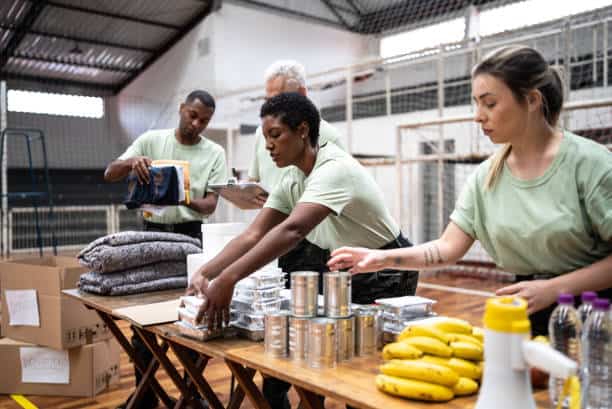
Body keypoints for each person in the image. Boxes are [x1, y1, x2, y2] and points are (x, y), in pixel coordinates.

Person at [328, 45, 612, 337]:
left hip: (598, 314)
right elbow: (447, 248)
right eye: (475, 104)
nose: (478, 116)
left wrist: (555, 289)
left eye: (489, 104)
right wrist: (383, 258)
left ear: (532, 100)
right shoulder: (486, 176)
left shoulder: (590, 164)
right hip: (527, 307)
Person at [190, 92, 418, 409]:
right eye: (264, 138)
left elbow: (293, 229)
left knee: (362, 376)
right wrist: (205, 272)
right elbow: (255, 233)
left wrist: (227, 280)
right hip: (345, 267)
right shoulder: (294, 177)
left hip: (385, 270)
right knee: (317, 361)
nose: (268, 145)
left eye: (275, 135)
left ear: (303, 130)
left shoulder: (334, 168)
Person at [105, 89, 227, 409]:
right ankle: (144, 395)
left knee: (191, 317)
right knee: (141, 318)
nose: (197, 123)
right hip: (152, 235)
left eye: (205, 120)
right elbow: (110, 172)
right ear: (181, 108)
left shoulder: (214, 152)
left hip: (191, 237)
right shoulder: (151, 141)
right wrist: (133, 162)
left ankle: (192, 396)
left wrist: (182, 197)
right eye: (193, 115)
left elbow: (211, 204)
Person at [248, 60, 346, 279]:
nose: (274, 105)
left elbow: (334, 192)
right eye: (269, 99)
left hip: (312, 238)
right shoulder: (261, 135)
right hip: (274, 231)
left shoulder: (328, 137)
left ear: (302, 93)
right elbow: (255, 181)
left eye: (281, 98)